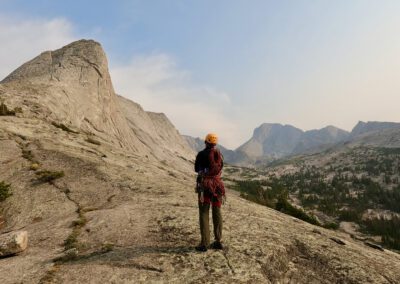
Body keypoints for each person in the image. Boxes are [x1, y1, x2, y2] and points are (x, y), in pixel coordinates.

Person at [194, 133, 225, 252]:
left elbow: (196, 169)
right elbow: (220, 168)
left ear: (206, 142)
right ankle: (218, 241)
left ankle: (205, 243)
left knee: (204, 212)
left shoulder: (202, 154)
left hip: (205, 186)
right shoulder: (219, 155)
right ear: (215, 143)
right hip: (217, 186)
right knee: (217, 211)